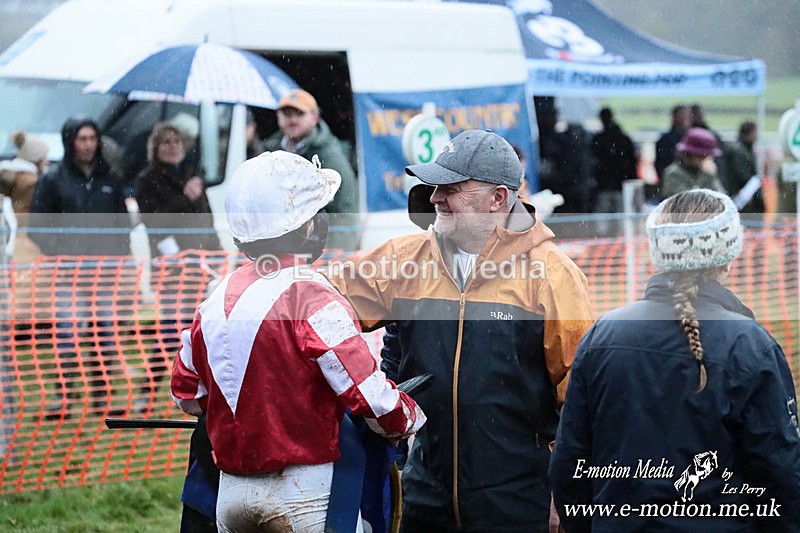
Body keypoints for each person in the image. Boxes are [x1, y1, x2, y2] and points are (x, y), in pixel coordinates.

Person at [325, 130, 595, 531]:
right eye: (435, 186)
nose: (434, 197)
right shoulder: (404, 259)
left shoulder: (554, 275)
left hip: (521, 498)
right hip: (424, 494)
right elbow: (320, 310)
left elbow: (581, 396)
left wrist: (567, 491)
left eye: (450, 187)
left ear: (498, 199)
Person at [169, 150, 425, 532]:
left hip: (231, 495)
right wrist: (409, 417)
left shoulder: (214, 298)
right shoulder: (313, 294)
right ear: (307, 226)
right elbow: (370, 398)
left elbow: (186, 395)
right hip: (303, 492)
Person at [549, 189, 800, 531]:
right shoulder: (750, 346)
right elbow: (781, 475)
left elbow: (569, 466)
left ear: (658, 254)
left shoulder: (603, 337)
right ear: (728, 257)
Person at [29, 116, 131, 418]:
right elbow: (37, 227)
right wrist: (61, 252)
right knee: (68, 335)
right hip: (68, 274)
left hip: (103, 273)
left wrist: (117, 255)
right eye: (81, 138)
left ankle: (103, 396)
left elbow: (122, 225)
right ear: (70, 141)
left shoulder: (110, 178)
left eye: (92, 138)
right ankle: (64, 397)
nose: (87, 145)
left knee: (106, 336)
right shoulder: (52, 179)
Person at [134, 122, 221, 413]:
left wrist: (217, 250)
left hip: (200, 264)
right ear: (156, 148)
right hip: (171, 268)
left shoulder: (194, 175)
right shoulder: (147, 180)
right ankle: (147, 389)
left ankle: (205, 388)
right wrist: (186, 197)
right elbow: (154, 222)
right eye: (165, 142)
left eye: (177, 141)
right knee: (169, 332)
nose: (172, 146)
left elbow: (206, 218)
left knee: (200, 330)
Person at [261, 89, 359, 250]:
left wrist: (334, 256)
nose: (292, 119)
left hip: (315, 251)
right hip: (282, 250)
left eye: (299, 113)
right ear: (278, 117)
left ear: (315, 117)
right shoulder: (269, 153)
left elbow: (345, 213)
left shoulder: (329, 156)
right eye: (287, 113)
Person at [0, 130, 49, 264]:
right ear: (35, 158)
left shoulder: (13, 175)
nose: (47, 161)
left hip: (14, 236)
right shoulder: (31, 182)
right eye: (43, 157)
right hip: (26, 236)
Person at [590, 107, 638, 236]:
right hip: (614, 185)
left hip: (610, 185)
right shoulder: (621, 138)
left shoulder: (600, 139)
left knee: (610, 223)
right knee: (618, 222)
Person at [661, 128, 726, 199]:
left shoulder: (705, 171)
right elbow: (689, 203)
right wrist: (708, 175)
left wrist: (711, 176)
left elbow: (721, 198)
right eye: (703, 156)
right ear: (690, 154)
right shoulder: (673, 173)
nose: (707, 159)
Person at [725, 120, 764, 214]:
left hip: (743, 195)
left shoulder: (743, 149)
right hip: (742, 197)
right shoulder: (739, 151)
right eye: (755, 132)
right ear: (750, 132)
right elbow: (742, 174)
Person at [653, 105, 691, 200]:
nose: (685, 118)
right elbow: (660, 165)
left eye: (687, 115)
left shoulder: (694, 137)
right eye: (682, 115)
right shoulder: (665, 140)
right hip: (673, 188)